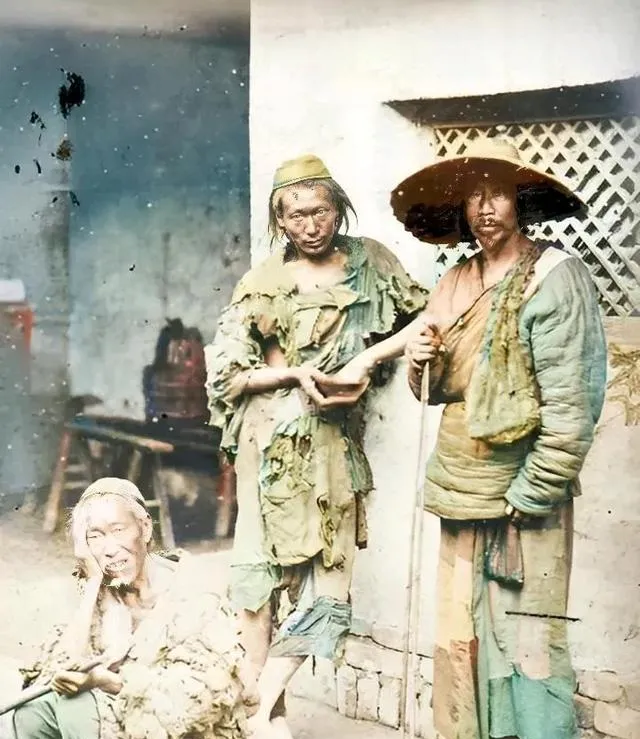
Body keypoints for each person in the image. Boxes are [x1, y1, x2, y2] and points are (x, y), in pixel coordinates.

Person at [205, 154, 431, 738]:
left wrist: (369, 358)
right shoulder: (263, 282)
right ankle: (269, 716)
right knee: (259, 581)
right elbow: (227, 374)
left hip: (333, 440)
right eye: (297, 215)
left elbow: (431, 316)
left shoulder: (371, 263)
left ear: (339, 209)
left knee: (330, 579)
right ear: (280, 220)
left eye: (321, 211)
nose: (311, 226)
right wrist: (292, 374)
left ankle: (257, 705)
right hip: (268, 440)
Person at [391, 137, 608, 739]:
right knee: (461, 634)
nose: (485, 208)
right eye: (473, 197)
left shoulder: (555, 278)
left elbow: (572, 408)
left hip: (523, 491)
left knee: (528, 638)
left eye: (499, 194)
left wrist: (532, 493)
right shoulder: (455, 281)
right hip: (461, 484)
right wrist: (418, 359)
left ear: (523, 202)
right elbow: (433, 390)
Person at [11, 477, 251, 739]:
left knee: (76, 707)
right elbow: (58, 671)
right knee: (33, 711)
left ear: (145, 528)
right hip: (123, 721)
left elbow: (192, 704)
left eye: (118, 530)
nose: (110, 549)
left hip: (182, 731)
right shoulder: (98, 591)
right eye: (95, 537)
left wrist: (105, 682)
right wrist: (92, 582)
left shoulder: (195, 591)